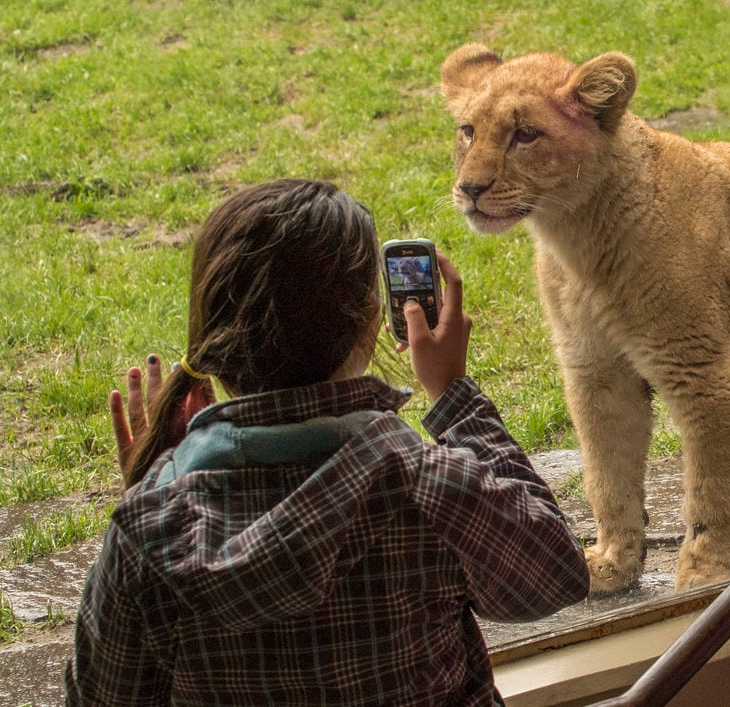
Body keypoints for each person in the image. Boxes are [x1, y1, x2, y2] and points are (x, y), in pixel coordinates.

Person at [65, 179, 590, 706]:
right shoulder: (430, 485)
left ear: (211, 336)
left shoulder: (147, 532)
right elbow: (558, 576)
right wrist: (452, 393)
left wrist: (159, 482)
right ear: (371, 321)